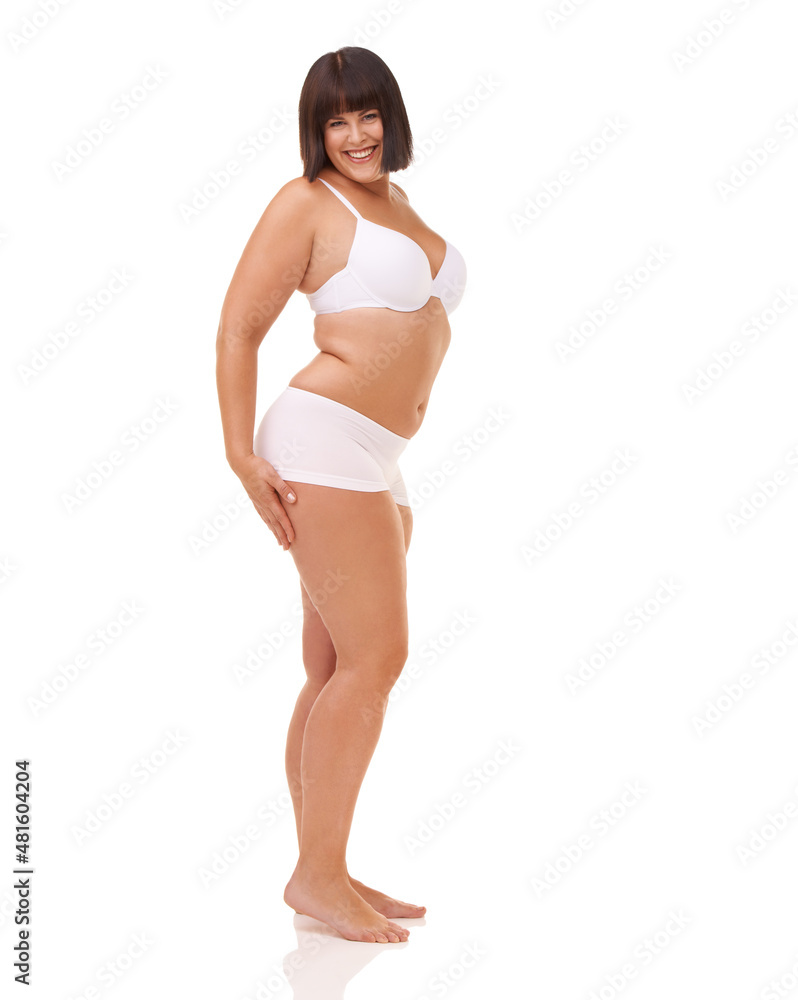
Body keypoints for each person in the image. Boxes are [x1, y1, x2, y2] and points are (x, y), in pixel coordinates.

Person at [215, 46, 467, 944]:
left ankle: (325, 863)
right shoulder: (306, 204)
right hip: (320, 443)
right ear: (315, 132)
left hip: (378, 457)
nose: (355, 135)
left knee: (332, 671)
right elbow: (240, 328)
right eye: (336, 120)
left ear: (390, 118)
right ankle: (317, 876)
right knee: (376, 661)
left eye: (367, 116)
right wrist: (242, 457)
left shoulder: (397, 203)